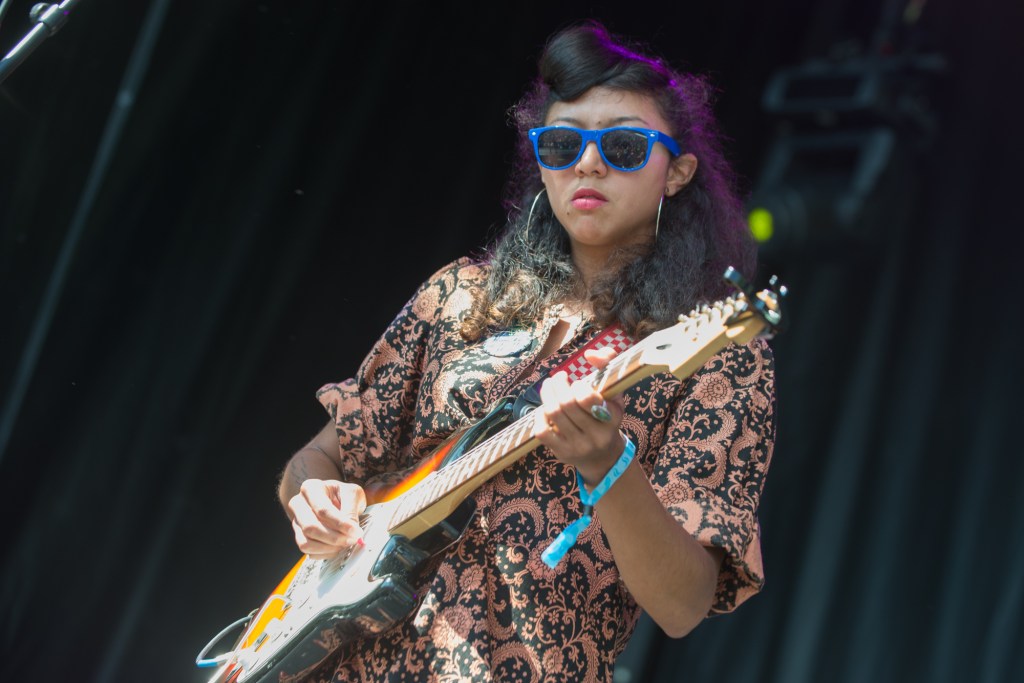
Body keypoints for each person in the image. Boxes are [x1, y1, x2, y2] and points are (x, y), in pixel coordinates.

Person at [276, 19, 776, 683]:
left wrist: (609, 468)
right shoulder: (457, 295)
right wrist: (311, 498)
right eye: (563, 143)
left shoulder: (717, 354)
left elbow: (683, 603)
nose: (588, 163)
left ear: (677, 171)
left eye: (624, 145)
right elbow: (321, 454)